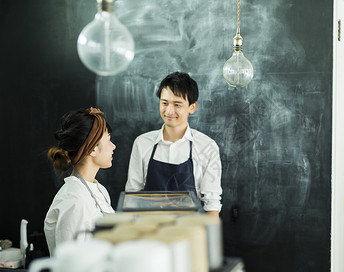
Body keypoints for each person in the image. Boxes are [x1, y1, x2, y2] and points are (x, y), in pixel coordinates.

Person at [125, 72, 222, 217]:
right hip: (149, 229)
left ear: (192, 107)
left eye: (177, 105)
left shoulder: (207, 146)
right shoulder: (142, 143)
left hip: (190, 231)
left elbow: (212, 204)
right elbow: (132, 196)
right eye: (164, 103)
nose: (169, 111)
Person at [44, 107, 116, 256]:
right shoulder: (74, 201)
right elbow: (71, 263)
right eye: (108, 140)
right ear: (92, 149)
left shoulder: (99, 189)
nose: (113, 146)